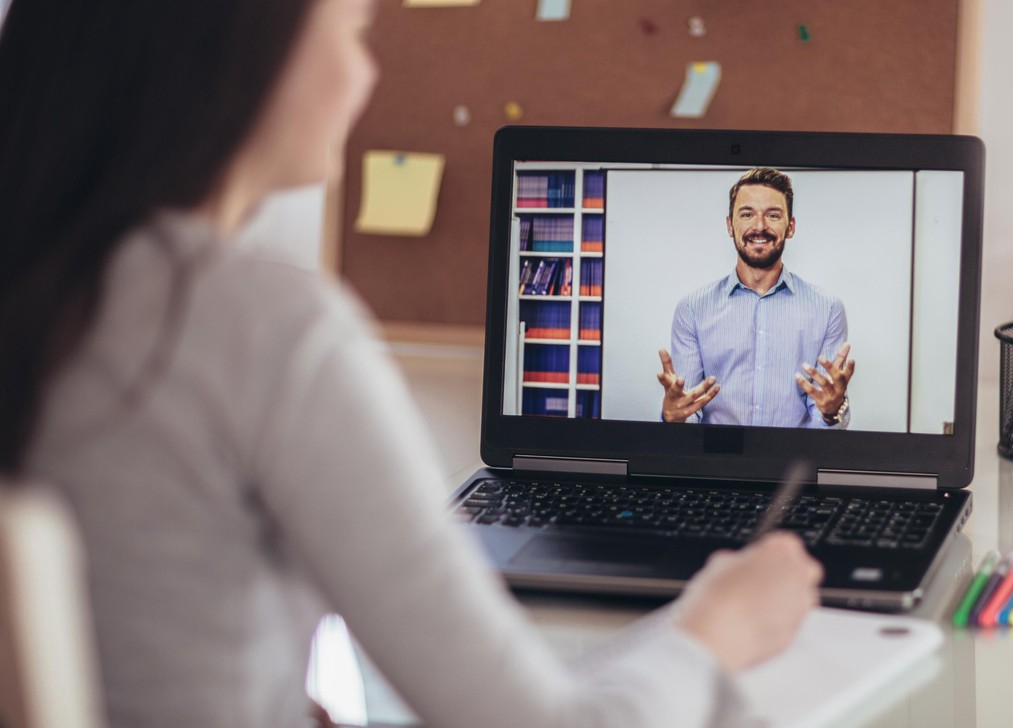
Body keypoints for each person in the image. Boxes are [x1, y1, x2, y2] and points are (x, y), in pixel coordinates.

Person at [0, 1, 824, 726]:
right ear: (246, 57)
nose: (366, 74)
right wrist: (717, 629)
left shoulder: (44, 282)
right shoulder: (266, 330)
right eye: (355, 30)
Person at [657, 168, 857, 428]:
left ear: (791, 226)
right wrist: (673, 417)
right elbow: (687, 408)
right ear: (730, 225)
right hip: (715, 463)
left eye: (773, 215)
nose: (760, 226)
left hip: (793, 463)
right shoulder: (693, 309)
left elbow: (823, 411)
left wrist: (833, 412)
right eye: (747, 214)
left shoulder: (828, 308)